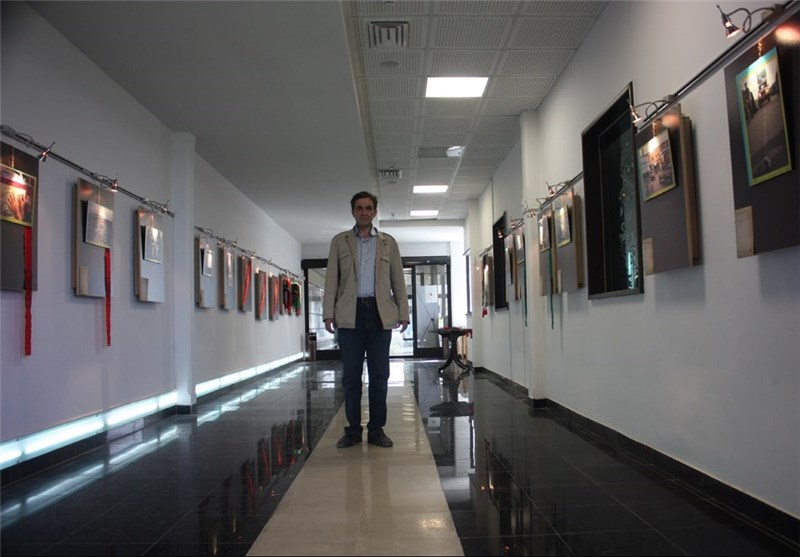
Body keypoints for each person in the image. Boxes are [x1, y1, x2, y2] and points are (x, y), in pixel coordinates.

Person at [323, 191, 409, 449]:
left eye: (368, 208)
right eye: (359, 208)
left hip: (380, 314)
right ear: (353, 211)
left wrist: (403, 313)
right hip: (350, 315)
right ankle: (352, 431)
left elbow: (398, 281)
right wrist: (328, 313)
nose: (363, 212)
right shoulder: (340, 242)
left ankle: (376, 430)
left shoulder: (388, 243)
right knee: (350, 377)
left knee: (379, 376)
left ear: (374, 211)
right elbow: (331, 280)